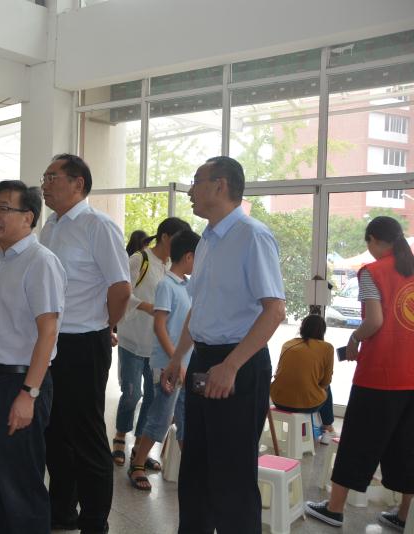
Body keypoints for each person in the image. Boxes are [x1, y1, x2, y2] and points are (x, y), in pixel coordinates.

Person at [161, 156, 286, 533]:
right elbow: (199, 308)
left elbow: (274, 310)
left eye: (196, 181)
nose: (190, 190)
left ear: (220, 185)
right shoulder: (207, 242)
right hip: (204, 362)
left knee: (232, 477)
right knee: (196, 468)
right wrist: (178, 357)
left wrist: (231, 366)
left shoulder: (252, 236)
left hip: (238, 365)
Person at [40, 154, 131, 533]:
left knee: (86, 435)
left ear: (78, 183)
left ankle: (95, 521)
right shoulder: (50, 226)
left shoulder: (98, 226)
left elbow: (120, 287)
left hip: (83, 344)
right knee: (54, 432)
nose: (44, 185)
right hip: (50, 343)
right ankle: (62, 511)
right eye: (44, 178)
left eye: (52, 177)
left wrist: (105, 325)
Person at [305, 215, 413, 531]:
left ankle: (335, 509)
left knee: (358, 441)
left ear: (374, 240)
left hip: (381, 374)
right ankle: (405, 516)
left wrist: (354, 338)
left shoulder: (372, 272)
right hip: (412, 375)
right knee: (407, 446)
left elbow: (375, 321)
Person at [0, 180, 67, 533]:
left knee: (21, 489)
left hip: (21, 383)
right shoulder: (1, 261)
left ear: (28, 217)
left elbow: (48, 332)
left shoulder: (39, 261)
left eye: (3, 208)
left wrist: (29, 393)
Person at [112, 219, 191, 470]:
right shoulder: (140, 259)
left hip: (158, 347)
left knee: (152, 397)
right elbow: (121, 293)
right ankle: (120, 437)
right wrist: (148, 307)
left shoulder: (172, 267)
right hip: (133, 339)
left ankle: (139, 447)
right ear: (165, 237)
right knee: (132, 394)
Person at [129, 229, 199, 491]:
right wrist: (175, 361)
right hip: (166, 364)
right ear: (188, 257)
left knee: (184, 416)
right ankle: (137, 463)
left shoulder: (189, 286)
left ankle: (190, 466)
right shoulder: (166, 285)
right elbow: (160, 327)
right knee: (161, 415)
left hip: (185, 364)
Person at [270, 314, 337, 443]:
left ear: (302, 328)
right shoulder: (327, 348)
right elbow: (326, 381)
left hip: (278, 400)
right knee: (327, 389)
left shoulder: (288, 344)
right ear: (322, 331)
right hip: (307, 405)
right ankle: (327, 428)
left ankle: (323, 428)